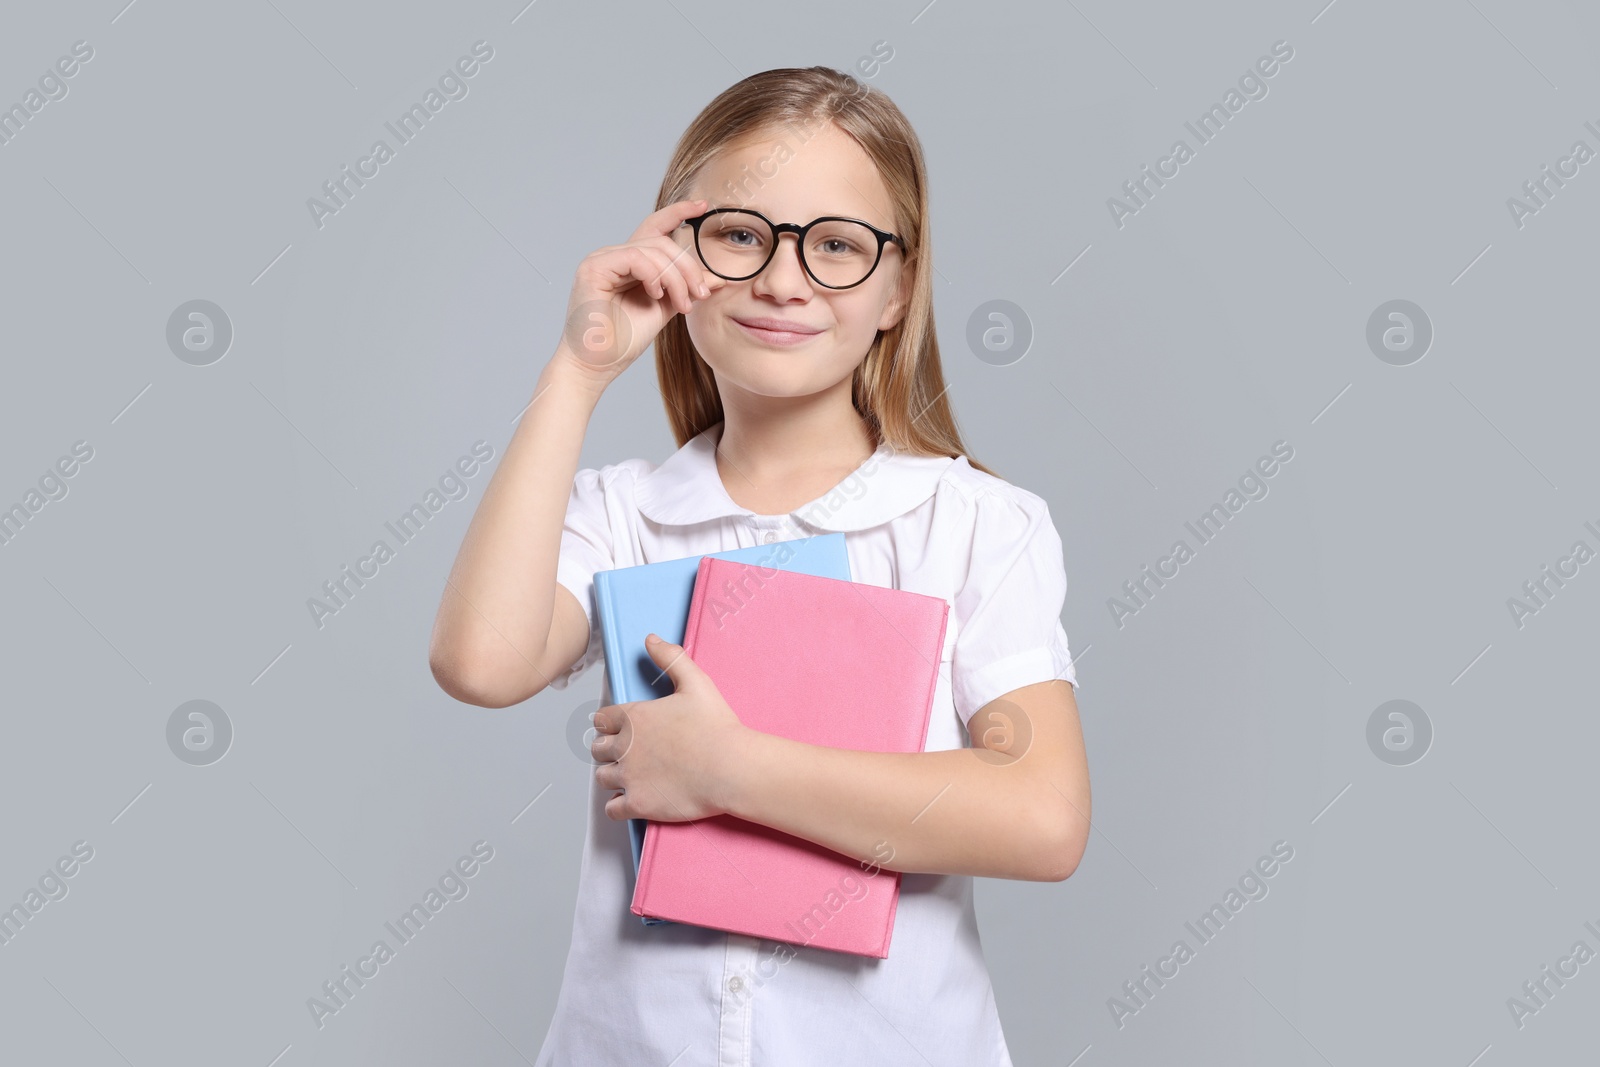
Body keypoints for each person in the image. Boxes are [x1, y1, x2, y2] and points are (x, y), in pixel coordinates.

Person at [429, 65, 1091, 1067]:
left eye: (835, 246)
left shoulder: (971, 525)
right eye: (740, 234)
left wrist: (731, 769)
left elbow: (1042, 818)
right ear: (676, 252)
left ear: (896, 287)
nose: (783, 280)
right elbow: (480, 662)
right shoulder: (620, 516)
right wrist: (578, 369)